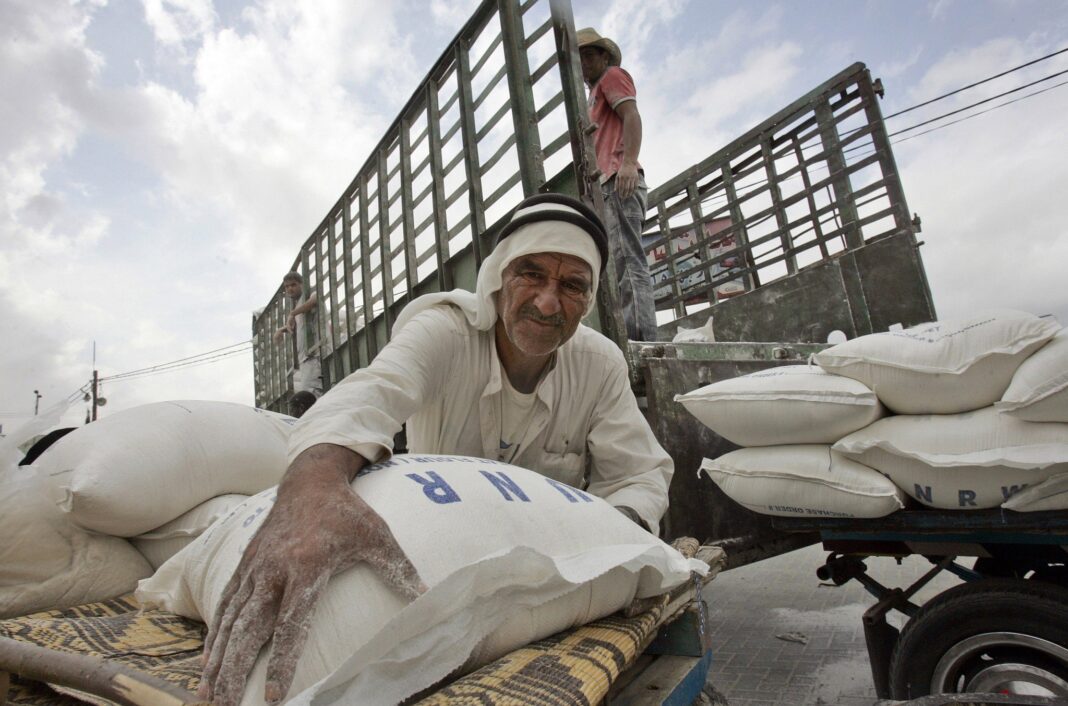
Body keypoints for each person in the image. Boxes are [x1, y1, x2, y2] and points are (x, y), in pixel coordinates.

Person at [198, 194, 674, 706]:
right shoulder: (445, 330)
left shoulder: (599, 364)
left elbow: (637, 475)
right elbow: (371, 394)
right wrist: (313, 489)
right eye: (530, 274)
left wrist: (611, 543)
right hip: (445, 551)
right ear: (496, 277)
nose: (547, 302)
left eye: (572, 285)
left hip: (545, 563)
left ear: (589, 298)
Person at [577, 27, 659, 342]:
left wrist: (627, 162)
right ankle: (633, 335)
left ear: (604, 56)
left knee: (628, 260)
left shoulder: (612, 76)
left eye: (589, 55)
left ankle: (641, 340)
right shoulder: (594, 92)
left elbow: (631, 115)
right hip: (610, 184)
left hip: (619, 180)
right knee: (619, 263)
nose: (584, 63)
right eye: (579, 57)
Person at [272, 271, 323, 396]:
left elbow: (315, 300)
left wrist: (292, 313)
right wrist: (281, 330)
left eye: (293, 285)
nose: (289, 289)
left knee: (312, 394)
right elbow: (295, 326)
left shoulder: (310, 294)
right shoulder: (299, 304)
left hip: (314, 355)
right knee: (309, 391)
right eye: (287, 286)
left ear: (301, 284)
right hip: (306, 358)